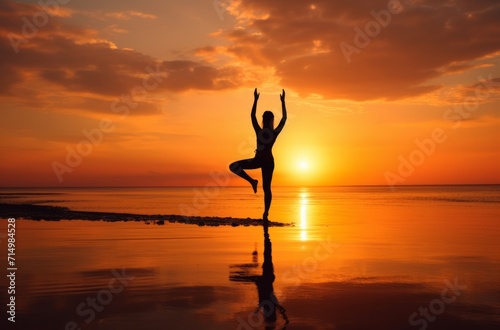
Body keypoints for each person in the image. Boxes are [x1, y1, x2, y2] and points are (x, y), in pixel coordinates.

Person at [229, 88, 287, 221]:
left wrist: (255, 100)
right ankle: (252, 182)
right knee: (233, 166)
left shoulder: (266, 132)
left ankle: (266, 214)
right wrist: (282, 102)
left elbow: (254, 117)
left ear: (267, 119)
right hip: (260, 160)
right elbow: (283, 118)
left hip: (265, 162)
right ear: (270, 120)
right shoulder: (265, 132)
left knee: (267, 188)